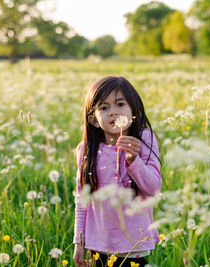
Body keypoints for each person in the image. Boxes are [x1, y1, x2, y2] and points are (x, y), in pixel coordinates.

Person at [73, 76, 162, 267]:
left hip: (133, 241)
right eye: (104, 108)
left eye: (120, 104)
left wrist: (133, 160)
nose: (113, 112)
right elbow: (82, 197)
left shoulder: (144, 139)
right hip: (99, 243)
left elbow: (154, 189)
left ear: (133, 110)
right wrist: (79, 241)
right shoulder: (86, 149)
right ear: (94, 120)